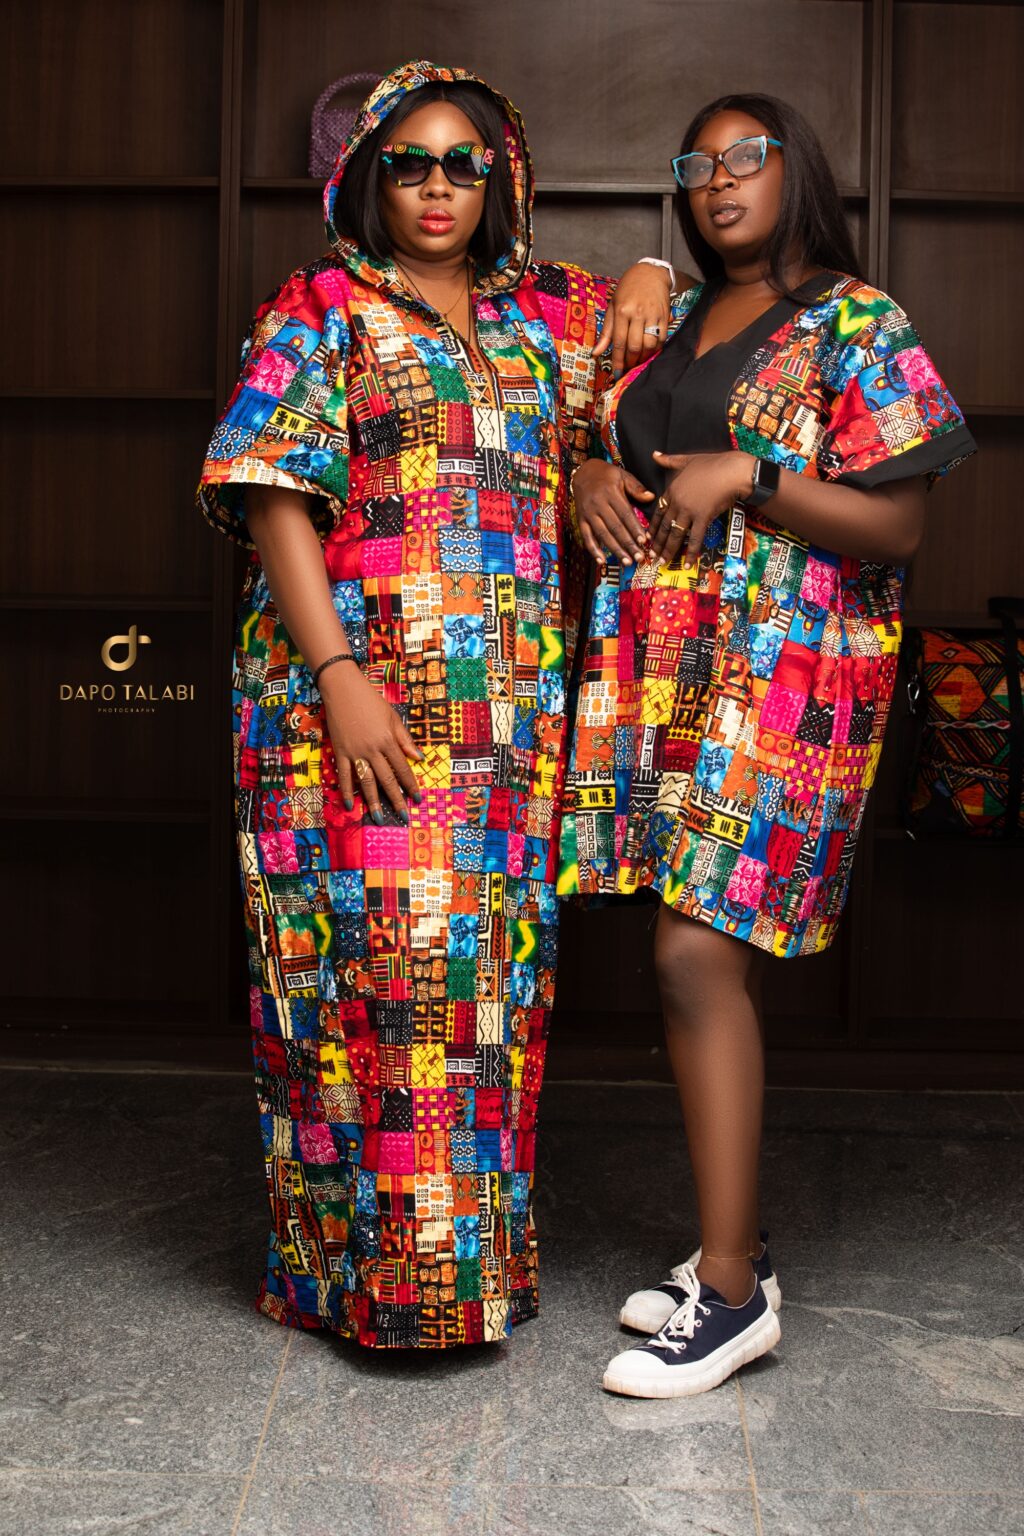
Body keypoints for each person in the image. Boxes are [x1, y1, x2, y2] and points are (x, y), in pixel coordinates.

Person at [196, 59, 674, 1351]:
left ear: (501, 179)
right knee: (363, 993)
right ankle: (364, 1289)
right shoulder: (322, 304)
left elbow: (688, 337)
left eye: (466, 162)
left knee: (482, 1001)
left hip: (507, 721)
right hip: (346, 708)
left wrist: (652, 274)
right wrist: (340, 680)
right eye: (410, 162)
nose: (438, 186)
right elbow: (271, 495)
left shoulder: (550, 311)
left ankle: (469, 1280)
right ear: (369, 178)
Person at [561, 92, 975, 1397]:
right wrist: (588, 471)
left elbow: (899, 525)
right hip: (662, 674)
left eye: (748, 156)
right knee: (684, 951)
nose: (721, 179)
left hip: (786, 673)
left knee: (695, 955)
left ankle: (733, 1296)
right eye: (697, 164)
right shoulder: (670, 315)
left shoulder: (857, 319)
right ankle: (725, 1253)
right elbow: (550, 373)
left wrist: (749, 474)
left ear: (798, 171)